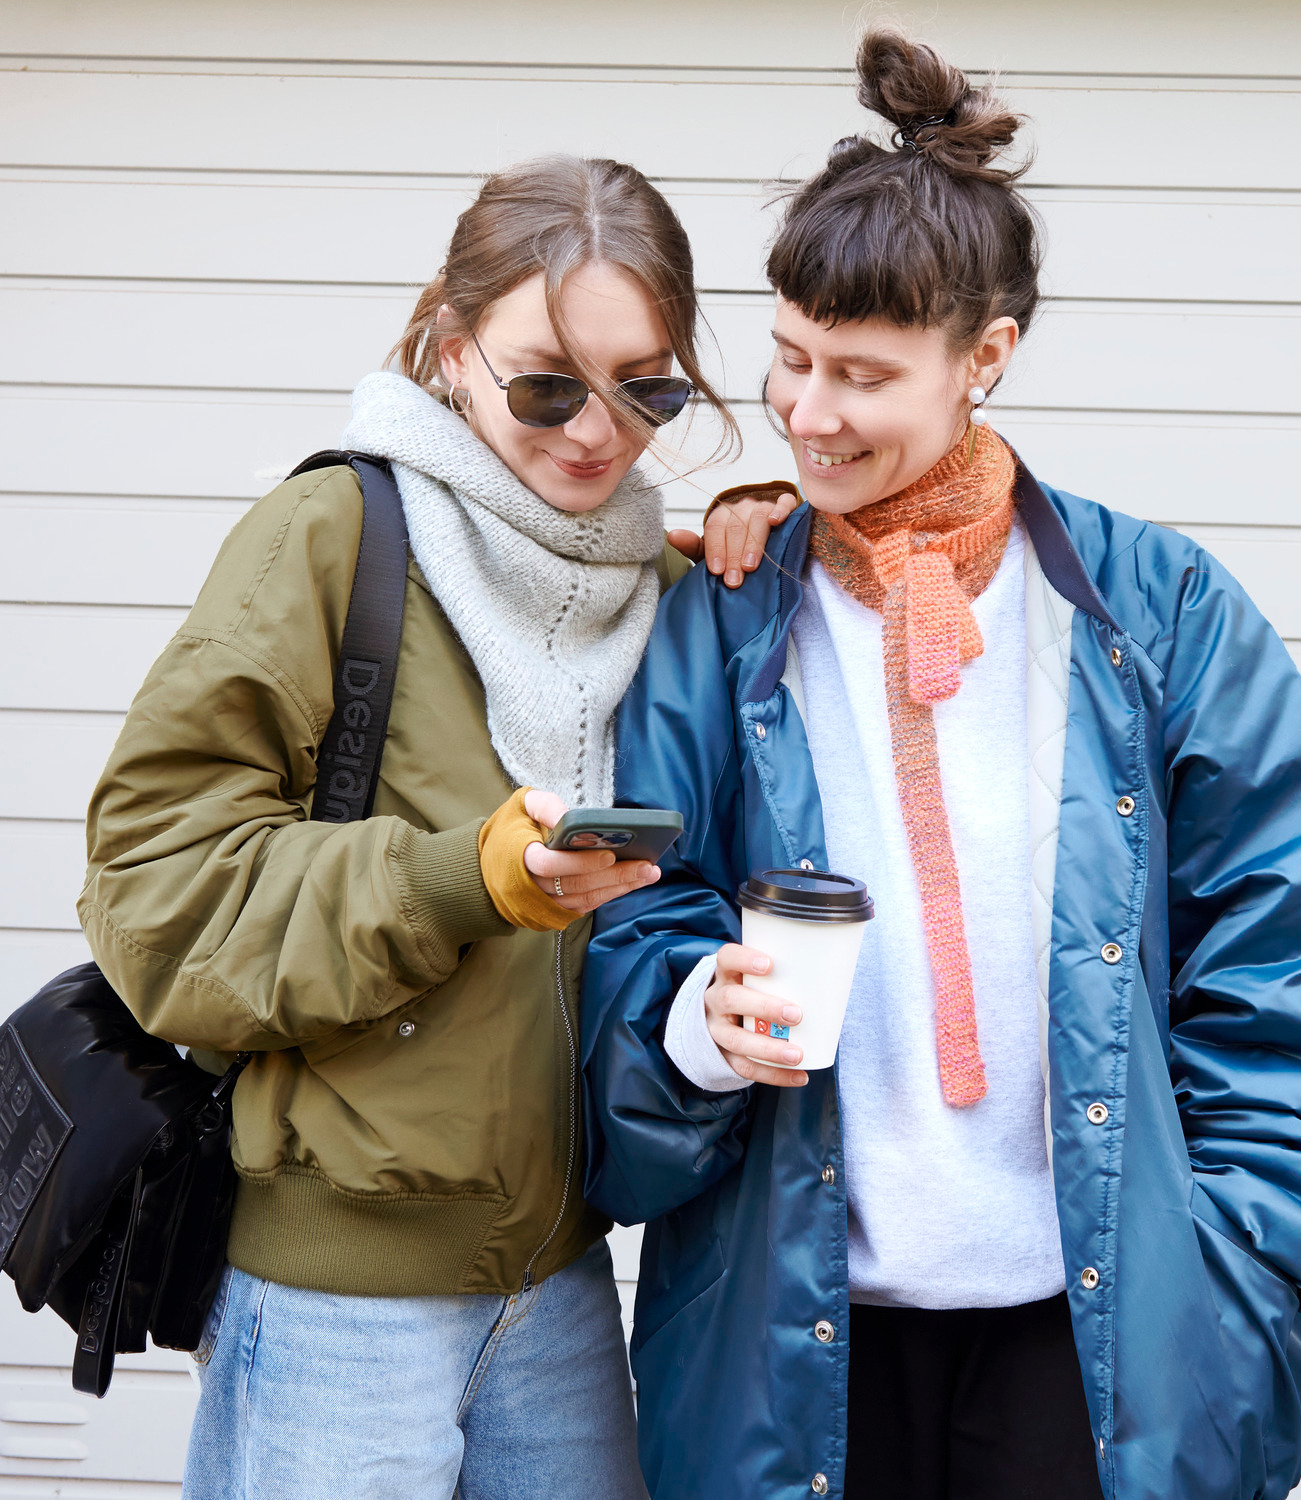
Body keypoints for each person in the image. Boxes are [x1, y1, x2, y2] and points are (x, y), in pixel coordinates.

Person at [581, 32, 1301, 1500]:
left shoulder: (1155, 612)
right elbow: (628, 918)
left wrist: (1238, 1273)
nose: (806, 414)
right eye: (789, 358)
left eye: (862, 374)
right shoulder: (724, 619)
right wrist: (690, 1026)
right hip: (795, 1348)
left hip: (1099, 1346)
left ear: (987, 358)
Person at [77, 155, 791, 1499]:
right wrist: (461, 879)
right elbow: (154, 889)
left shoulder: (652, 575)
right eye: (546, 383)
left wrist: (779, 543)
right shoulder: (333, 539)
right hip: (335, 1296)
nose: (597, 431)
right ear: (452, 349)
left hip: (561, 1279)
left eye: (649, 387)